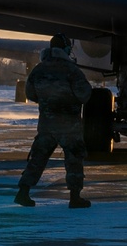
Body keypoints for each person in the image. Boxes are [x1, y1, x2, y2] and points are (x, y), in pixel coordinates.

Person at [15, 33, 93, 208]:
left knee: (38, 158)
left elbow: (30, 94)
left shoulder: (39, 69)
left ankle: (23, 192)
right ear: (66, 49)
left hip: (47, 124)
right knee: (74, 160)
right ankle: (75, 197)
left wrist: (47, 102)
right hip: (69, 126)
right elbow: (85, 94)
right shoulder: (72, 70)